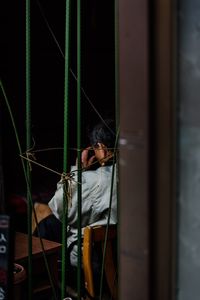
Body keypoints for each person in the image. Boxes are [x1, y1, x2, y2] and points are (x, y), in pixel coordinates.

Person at [33, 118, 118, 268]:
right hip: (122, 257)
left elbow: (60, 207)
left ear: (101, 148)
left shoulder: (98, 180)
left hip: (96, 265)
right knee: (51, 224)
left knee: (48, 225)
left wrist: (78, 171)